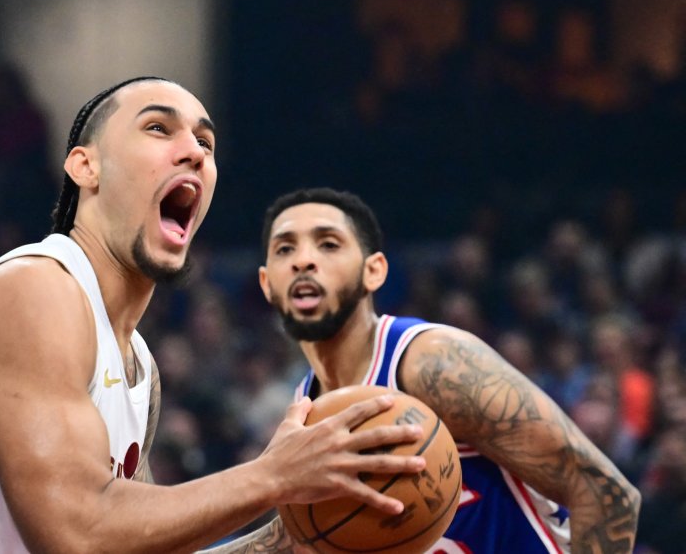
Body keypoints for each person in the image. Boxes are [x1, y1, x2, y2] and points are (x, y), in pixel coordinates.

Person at [0, 77, 428, 553]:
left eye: (205, 142)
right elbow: (74, 535)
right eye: (158, 128)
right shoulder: (36, 288)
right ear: (86, 165)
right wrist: (272, 476)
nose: (193, 151)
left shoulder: (139, 369)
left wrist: (290, 536)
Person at [256, 187, 641, 553]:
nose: (303, 260)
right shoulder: (304, 414)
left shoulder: (431, 362)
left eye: (328, 244)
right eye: (285, 248)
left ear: (374, 271)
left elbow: (605, 494)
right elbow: (291, 542)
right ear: (267, 283)